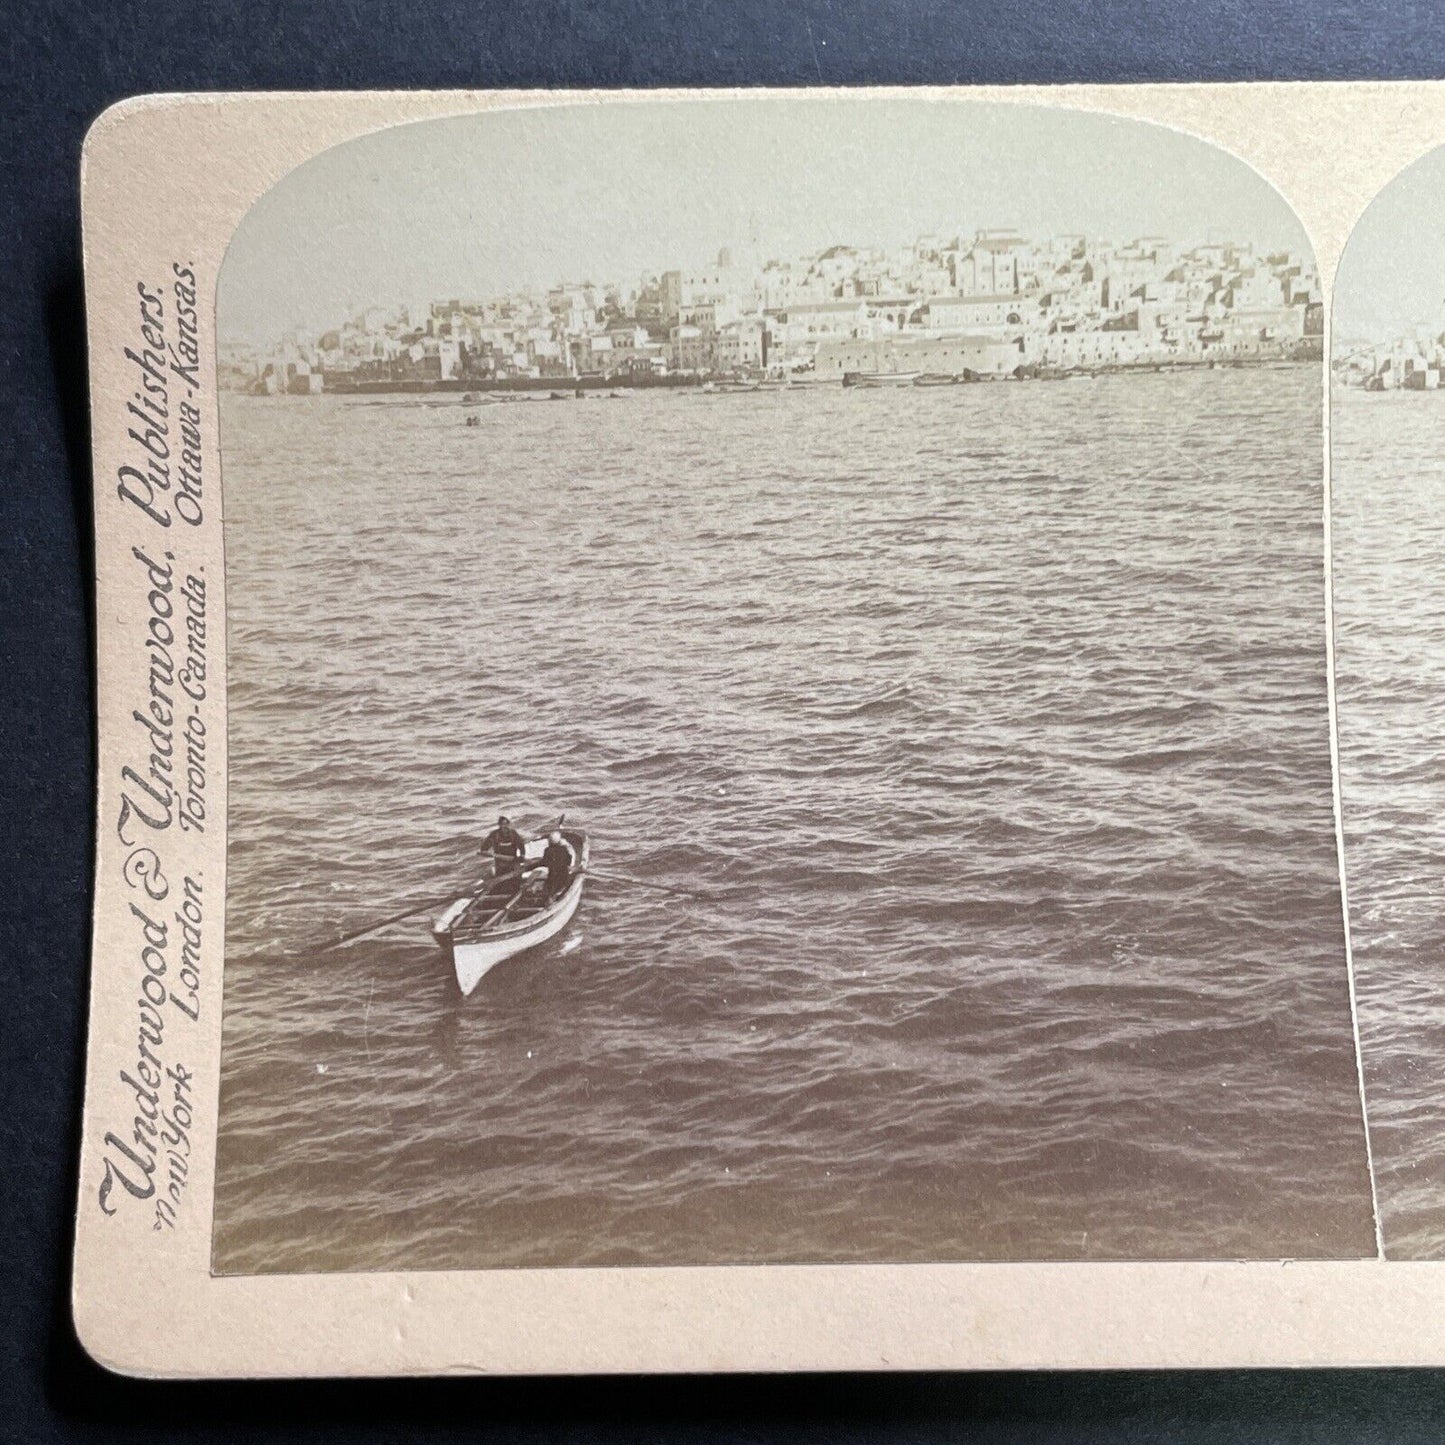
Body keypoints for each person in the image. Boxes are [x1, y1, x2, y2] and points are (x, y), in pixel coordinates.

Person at [480, 815, 527, 897]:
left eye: (506, 824)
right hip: (501, 865)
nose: (504, 827)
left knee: (516, 884)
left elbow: (521, 846)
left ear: (508, 824)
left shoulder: (513, 834)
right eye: (502, 825)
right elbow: (484, 848)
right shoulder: (495, 835)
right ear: (499, 825)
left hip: (513, 863)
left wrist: (522, 856)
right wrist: (486, 852)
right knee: (501, 886)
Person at [540, 829, 577, 901]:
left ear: (549, 841)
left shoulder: (547, 850)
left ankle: (551, 897)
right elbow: (569, 861)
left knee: (548, 887)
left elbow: (545, 863)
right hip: (563, 878)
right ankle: (554, 896)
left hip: (552, 878)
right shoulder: (564, 849)